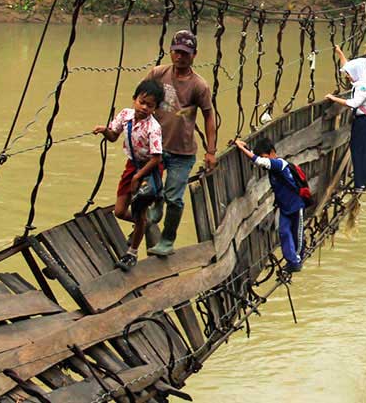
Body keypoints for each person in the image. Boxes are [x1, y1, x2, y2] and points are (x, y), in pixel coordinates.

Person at [144, 30, 217, 257]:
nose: (180, 57)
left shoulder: (199, 86)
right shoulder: (158, 74)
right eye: (177, 52)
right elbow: (141, 97)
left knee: (174, 198)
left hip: (182, 152)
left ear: (194, 55)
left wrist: (211, 151)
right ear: (170, 51)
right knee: (150, 189)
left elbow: (209, 116)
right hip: (155, 146)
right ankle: (157, 202)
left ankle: (167, 240)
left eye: (185, 53)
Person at [93, 80, 165, 271]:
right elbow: (114, 136)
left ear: (155, 108)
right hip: (132, 165)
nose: (144, 107)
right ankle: (145, 223)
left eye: (150, 105)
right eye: (142, 102)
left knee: (139, 208)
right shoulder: (125, 115)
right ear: (134, 99)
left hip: (148, 169)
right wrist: (104, 131)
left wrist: (137, 177)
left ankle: (132, 252)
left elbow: (157, 158)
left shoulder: (154, 127)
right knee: (119, 211)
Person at [234, 138, 305, 273]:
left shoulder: (279, 164)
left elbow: (259, 161)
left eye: (266, 157)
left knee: (297, 234)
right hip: (285, 207)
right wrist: (246, 148)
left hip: (296, 205)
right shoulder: (272, 165)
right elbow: (258, 159)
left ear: (272, 152)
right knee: (284, 232)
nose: (264, 161)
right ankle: (292, 260)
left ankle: (296, 260)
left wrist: (241, 148)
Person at [326, 54, 366, 193]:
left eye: (349, 74)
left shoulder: (362, 86)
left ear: (356, 72)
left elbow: (354, 103)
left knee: (359, 151)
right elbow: (348, 65)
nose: (347, 77)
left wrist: (334, 98)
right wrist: (339, 53)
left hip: (364, 122)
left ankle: (360, 184)